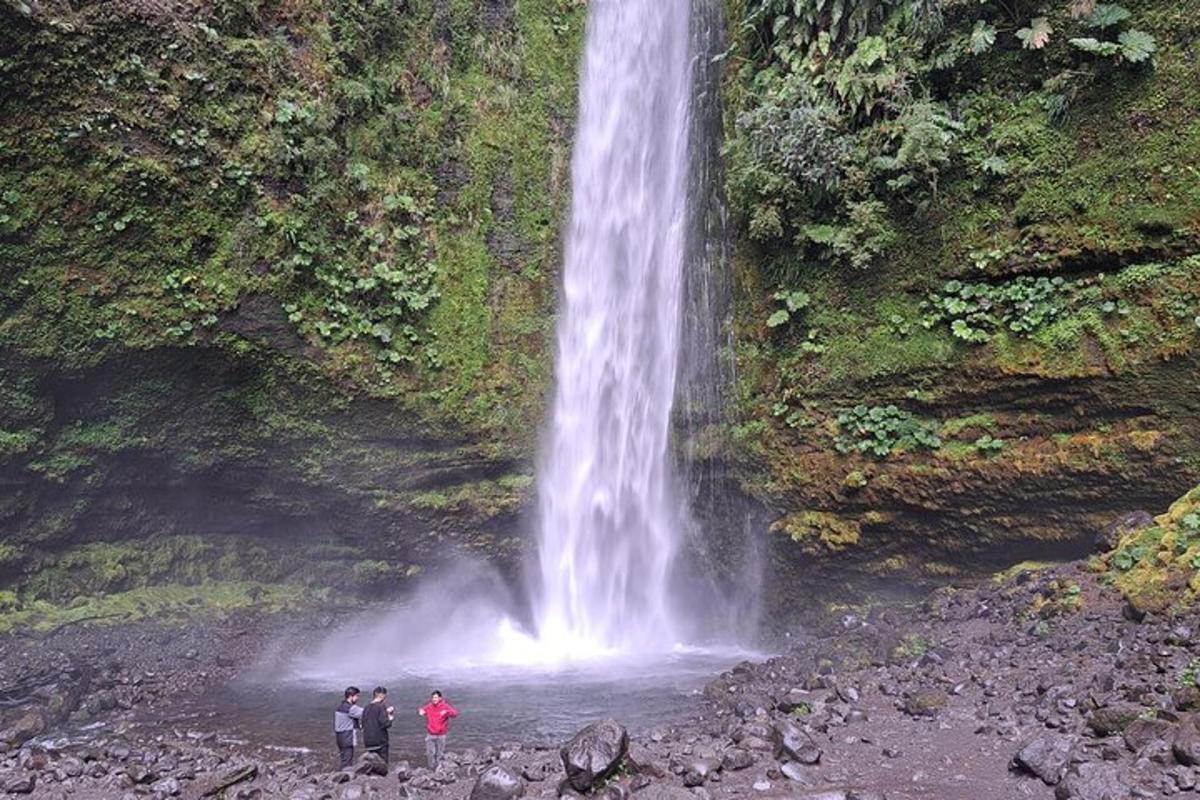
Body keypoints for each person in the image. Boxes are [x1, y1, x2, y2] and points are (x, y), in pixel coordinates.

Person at [417, 690, 458, 771]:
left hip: (441, 735)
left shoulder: (445, 706)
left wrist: (447, 712)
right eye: (433, 698)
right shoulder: (429, 706)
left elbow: (455, 713)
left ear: (440, 698)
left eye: (436, 697)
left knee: (440, 753)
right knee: (430, 753)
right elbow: (421, 709)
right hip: (430, 734)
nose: (434, 699)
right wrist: (420, 711)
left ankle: (438, 769)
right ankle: (431, 768)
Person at [361, 686, 395, 765]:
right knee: (382, 763)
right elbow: (385, 723)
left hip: (368, 740)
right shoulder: (381, 706)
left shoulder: (366, 707)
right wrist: (390, 717)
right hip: (380, 740)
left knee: (372, 762)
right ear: (381, 695)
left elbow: (363, 723)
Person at [333, 686, 364, 770]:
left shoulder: (340, 707)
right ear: (351, 696)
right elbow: (367, 713)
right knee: (347, 761)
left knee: (344, 759)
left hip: (340, 737)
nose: (358, 698)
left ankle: (340, 776)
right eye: (357, 696)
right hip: (347, 737)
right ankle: (344, 779)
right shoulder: (350, 708)